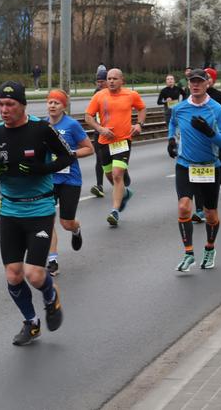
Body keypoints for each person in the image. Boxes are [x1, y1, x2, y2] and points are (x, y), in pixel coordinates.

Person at [0, 80, 72, 345]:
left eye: (10, 104)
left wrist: (39, 169)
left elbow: (67, 158)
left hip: (40, 208)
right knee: (13, 274)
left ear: (23, 105)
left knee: (34, 274)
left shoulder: (41, 129)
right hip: (10, 209)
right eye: (0, 104)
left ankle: (50, 297)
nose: (4, 109)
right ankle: (31, 322)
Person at [167, 69, 221, 272]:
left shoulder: (217, 109)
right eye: (192, 82)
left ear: (207, 84)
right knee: (184, 207)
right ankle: (188, 254)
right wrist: (170, 139)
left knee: (211, 214)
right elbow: (172, 123)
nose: (195, 85)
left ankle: (210, 248)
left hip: (210, 167)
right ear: (188, 84)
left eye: (199, 82)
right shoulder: (179, 108)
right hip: (185, 165)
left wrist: (210, 132)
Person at [85, 68, 147, 227]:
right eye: (109, 78)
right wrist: (100, 129)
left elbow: (142, 108)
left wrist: (139, 124)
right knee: (109, 176)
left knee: (117, 174)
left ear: (122, 80)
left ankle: (114, 211)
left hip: (123, 141)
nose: (111, 81)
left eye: (114, 78)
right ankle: (124, 193)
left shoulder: (131, 95)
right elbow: (88, 116)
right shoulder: (99, 95)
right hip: (104, 142)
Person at [44, 89, 94, 276]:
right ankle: (53, 261)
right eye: (50, 102)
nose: (52, 105)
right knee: (47, 219)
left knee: (66, 222)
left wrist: (69, 154)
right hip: (48, 180)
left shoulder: (71, 125)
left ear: (63, 106)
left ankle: (76, 229)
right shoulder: (42, 126)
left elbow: (89, 149)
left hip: (70, 179)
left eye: (56, 102)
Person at [191, 68, 221, 222]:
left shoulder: (218, 97)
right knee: (196, 171)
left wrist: (213, 122)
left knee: (216, 169)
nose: (206, 80)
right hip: (197, 142)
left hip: (215, 141)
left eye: (208, 77)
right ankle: (199, 209)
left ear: (212, 81)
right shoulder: (194, 96)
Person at [90, 69, 108, 198]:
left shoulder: (115, 93)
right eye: (98, 82)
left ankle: (122, 179)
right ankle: (99, 185)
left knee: (115, 159)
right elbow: (91, 112)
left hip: (114, 132)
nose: (100, 84)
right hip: (99, 131)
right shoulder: (96, 93)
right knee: (99, 158)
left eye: (102, 81)